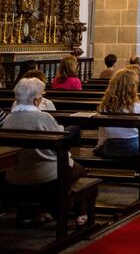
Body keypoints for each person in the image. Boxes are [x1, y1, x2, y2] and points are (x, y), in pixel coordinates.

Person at [1, 79, 90, 226]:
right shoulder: (43, 117)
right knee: (80, 170)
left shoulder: (9, 118)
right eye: (41, 95)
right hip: (45, 174)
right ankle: (80, 212)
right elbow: (60, 140)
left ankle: (43, 210)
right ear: (36, 100)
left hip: (15, 173)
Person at [95, 69, 140, 158]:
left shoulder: (105, 107)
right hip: (135, 150)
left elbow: (103, 134)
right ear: (132, 87)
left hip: (112, 150)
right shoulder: (136, 107)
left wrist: (101, 146)